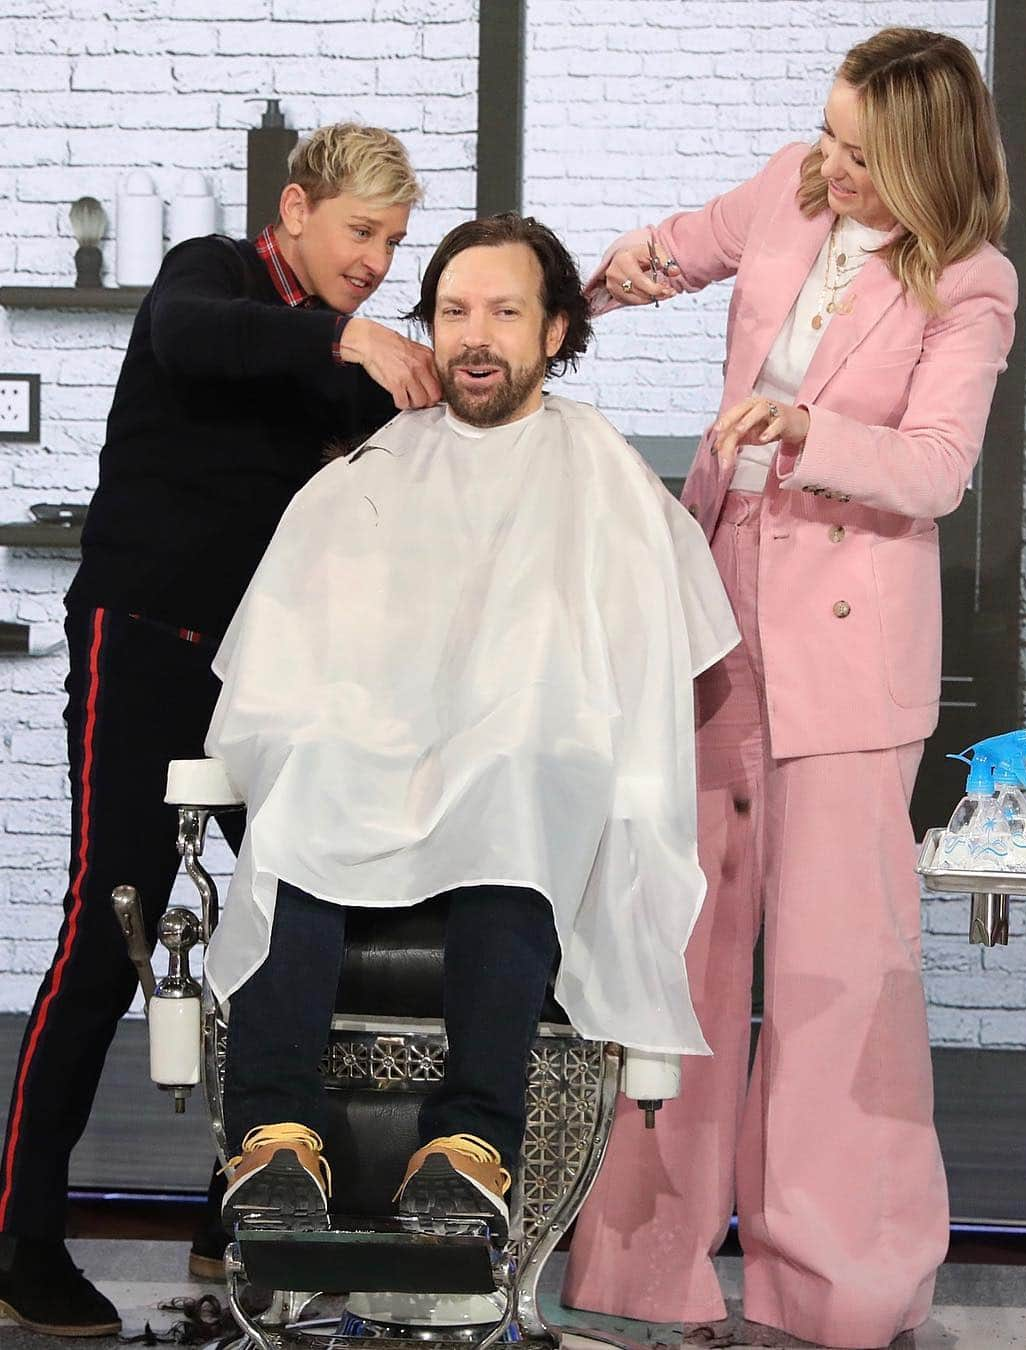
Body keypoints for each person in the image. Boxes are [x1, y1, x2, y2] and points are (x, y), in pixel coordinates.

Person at [562, 28, 1017, 1350]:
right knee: (679, 943)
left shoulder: (970, 284)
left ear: (929, 160)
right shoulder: (792, 183)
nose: (833, 164)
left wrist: (812, 430)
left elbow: (935, 470)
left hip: (846, 642)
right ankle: (641, 1267)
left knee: (833, 978)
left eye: (865, 153)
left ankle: (838, 1286)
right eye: (827, 133)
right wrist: (585, 284)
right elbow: (677, 246)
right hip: (715, 605)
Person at [197, 213, 739, 1243]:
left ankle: (468, 1146)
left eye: (503, 312)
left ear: (554, 333)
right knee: (306, 780)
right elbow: (288, 651)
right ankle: (274, 1141)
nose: (475, 336)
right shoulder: (376, 464)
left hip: (517, 763)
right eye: (453, 312)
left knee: (516, 775)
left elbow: (674, 650)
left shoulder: (601, 469)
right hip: (372, 757)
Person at [0, 123, 440, 1337]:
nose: (375, 261)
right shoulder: (212, 275)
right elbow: (194, 338)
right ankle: (22, 1236)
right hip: (140, 640)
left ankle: (242, 1204)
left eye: (394, 245)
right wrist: (348, 335)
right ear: (295, 211)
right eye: (361, 233)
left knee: (307, 913)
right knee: (106, 931)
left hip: (262, 679)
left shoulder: (341, 361)